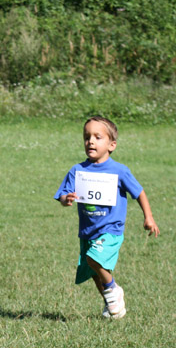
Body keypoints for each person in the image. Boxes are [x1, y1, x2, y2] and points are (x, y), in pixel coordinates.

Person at [54, 116, 159, 319]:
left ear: (112, 145)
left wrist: (149, 217)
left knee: (94, 259)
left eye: (97, 137)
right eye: (87, 137)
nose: (90, 141)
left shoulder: (120, 171)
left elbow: (139, 192)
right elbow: (62, 194)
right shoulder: (77, 170)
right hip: (87, 231)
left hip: (110, 230)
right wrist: (66, 199)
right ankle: (112, 305)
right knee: (94, 272)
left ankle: (113, 289)